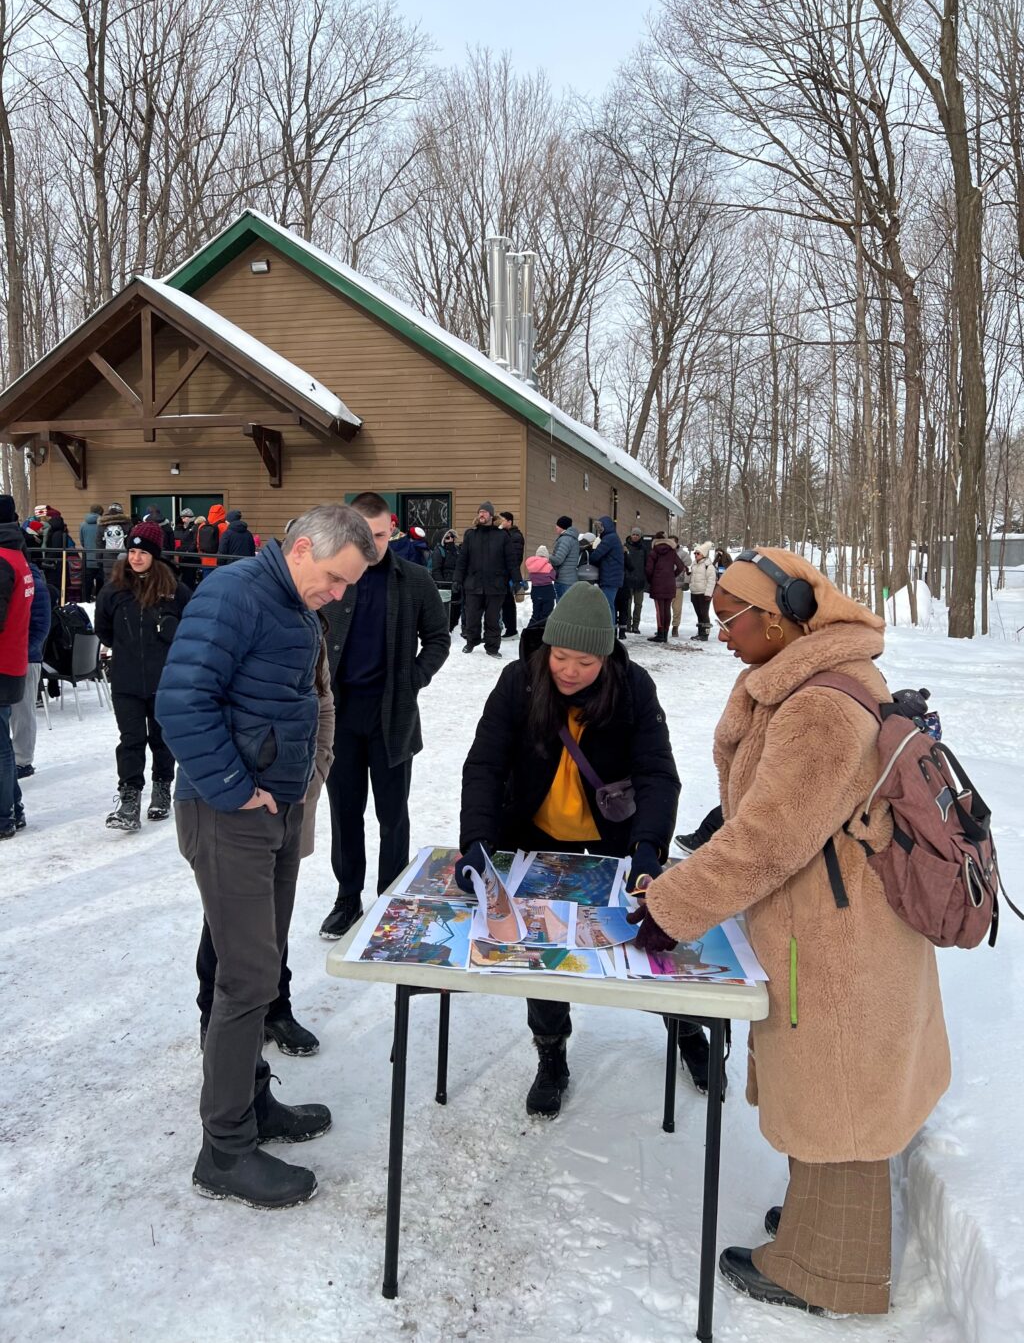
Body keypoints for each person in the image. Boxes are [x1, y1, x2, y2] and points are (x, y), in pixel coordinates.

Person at [633, 547, 951, 1317]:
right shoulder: (813, 680)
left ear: (776, 619)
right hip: (836, 926)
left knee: (839, 1094)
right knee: (832, 1089)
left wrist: (670, 907)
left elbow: (767, 839)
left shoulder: (817, 705)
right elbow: (770, 815)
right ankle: (822, 1224)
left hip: (838, 941)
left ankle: (825, 1269)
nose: (723, 634)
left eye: (729, 619)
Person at [156, 504, 377, 1209]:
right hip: (227, 814)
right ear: (304, 548)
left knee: (256, 964)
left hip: (275, 811)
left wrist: (302, 781)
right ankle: (224, 1147)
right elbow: (181, 700)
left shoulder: (295, 607)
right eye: (338, 579)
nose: (340, 595)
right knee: (247, 977)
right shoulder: (235, 594)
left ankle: (251, 1103)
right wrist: (235, 787)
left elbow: (307, 702)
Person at [456, 583, 693, 1118]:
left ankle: (685, 1030)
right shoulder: (519, 681)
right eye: (560, 656)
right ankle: (551, 1053)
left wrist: (649, 848)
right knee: (542, 957)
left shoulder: (633, 687)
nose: (568, 670)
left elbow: (657, 772)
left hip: (615, 838)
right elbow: (486, 765)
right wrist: (476, 840)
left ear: (605, 656)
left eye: (584, 661)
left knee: (647, 938)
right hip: (534, 834)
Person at [196, 618, 335, 1058]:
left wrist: (316, 772)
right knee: (229, 914)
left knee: (275, 910)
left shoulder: (311, 626)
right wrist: (234, 787)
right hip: (240, 804)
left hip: (293, 797)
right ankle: (213, 1013)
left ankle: (276, 1006)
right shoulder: (245, 622)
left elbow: (324, 702)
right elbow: (196, 709)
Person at [319, 492, 451, 938]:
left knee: (392, 813)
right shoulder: (333, 578)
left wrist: (413, 678)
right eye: (362, 533)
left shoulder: (413, 579)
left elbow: (438, 638)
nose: (371, 543)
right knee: (345, 811)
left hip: (392, 715)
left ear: (391, 530)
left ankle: (392, 895)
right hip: (340, 715)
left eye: (378, 534)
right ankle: (346, 898)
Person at [94, 521, 192, 831]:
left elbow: (193, 631)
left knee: (161, 739)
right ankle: (129, 800)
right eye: (131, 551)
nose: (135, 558)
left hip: (166, 680)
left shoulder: (176, 591)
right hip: (126, 680)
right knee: (131, 740)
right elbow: (104, 630)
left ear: (155, 555)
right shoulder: (114, 591)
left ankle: (162, 789)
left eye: (142, 552)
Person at [0, 495, 33, 840]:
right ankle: (14, 808)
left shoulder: (2, 561)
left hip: (3, 661)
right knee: (3, 743)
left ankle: (4, 815)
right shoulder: (17, 556)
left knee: (0, 746)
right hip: (13, 659)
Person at [454, 501, 518, 658]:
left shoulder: (502, 536)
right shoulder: (471, 535)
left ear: (491, 515)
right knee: (472, 617)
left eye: (484, 512)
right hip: (473, 584)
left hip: (495, 586)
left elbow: (511, 560)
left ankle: (492, 647)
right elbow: (462, 560)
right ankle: (471, 642)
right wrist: (457, 579)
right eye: (480, 512)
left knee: (493, 619)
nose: (481, 514)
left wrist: (517, 580)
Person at [11, 552, 51, 781]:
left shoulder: (34, 583)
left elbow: (41, 625)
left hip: (27, 656)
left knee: (23, 712)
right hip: (12, 655)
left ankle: (23, 760)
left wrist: (23, 651)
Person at [645, 532, 684, 643]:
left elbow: (648, 569)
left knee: (659, 610)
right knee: (667, 610)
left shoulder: (654, 552)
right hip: (670, 584)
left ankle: (660, 634)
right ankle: (665, 634)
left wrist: (651, 580)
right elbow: (681, 566)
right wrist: (672, 575)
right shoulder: (672, 552)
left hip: (657, 584)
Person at [588, 515, 624, 623]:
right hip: (612, 577)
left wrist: (591, 550)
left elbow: (595, 557)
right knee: (609, 605)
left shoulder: (609, 539)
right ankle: (610, 632)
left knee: (607, 606)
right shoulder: (613, 537)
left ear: (605, 527)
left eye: (600, 528)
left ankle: (609, 633)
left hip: (610, 578)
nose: (599, 531)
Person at [498, 511, 525, 638]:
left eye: (502, 520)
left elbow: (515, 558)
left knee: (507, 603)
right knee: (503, 602)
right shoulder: (505, 534)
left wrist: (511, 575)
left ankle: (511, 630)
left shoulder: (515, 536)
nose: (500, 522)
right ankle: (508, 628)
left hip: (508, 576)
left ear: (509, 521)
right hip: (502, 575)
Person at [429, 528, 461, 633]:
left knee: (456, 607)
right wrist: (442, 584)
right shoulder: (439, 551)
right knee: (445, 608)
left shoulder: (457, 550)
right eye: (447, 537)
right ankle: (446, 629)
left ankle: (453, 627)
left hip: (456, 582)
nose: (451, 539)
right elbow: (436, 569)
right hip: (445, 583)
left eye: (452, 536)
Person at [689, 541, 716, 640]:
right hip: (694, 593)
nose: (695, 555)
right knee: (699, 614)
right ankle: (700, 632)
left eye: (698, 553)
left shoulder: (709, 566)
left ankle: (705, 634)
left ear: (703, 554)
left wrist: (708, 594)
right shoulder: (694, 564)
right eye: (695, 553)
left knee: (704, 614)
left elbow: (711, 581)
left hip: (703, 594)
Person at [78, 504, 105, 603]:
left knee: (87, 584)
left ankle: (86, 602)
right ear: (101, 512)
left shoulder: (83, 525)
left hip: (88, 558)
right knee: (101, 583)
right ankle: (100, 603)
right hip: (101, 558)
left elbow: (82, 541)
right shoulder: (103, 525)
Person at [623, 528, 648, 634]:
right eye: (633, 534)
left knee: (638, 604)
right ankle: (627, 624)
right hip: (628, 580)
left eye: (637, 535)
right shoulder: (625, 547)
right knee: (627, 605)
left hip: (640, 580)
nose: (635, 536)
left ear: (640, 536)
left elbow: (646, 564)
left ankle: (636, 626)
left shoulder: (644, 548)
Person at [99, 502, 133, 581]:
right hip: (124, 558)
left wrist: (99, 560)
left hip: (107, 559)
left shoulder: (102, 525)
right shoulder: (128, 524)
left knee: (108, 582)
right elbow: (130, 543)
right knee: (124, 581)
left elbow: (99, 544)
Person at [524, 546, 556, 627]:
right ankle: (542, 633)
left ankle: (530, 631)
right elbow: (554, 577)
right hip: (547, 592)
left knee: (535, 613)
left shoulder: (531, 566)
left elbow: (531, 577)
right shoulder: (548, 566)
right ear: (546, 556)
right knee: (546, 614)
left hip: (535, 591)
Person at [548, 516, 579, 599]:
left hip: (563, 580)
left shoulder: (565, 539)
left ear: (562, 527)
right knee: (568, 608)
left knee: (562, 609)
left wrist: (547, 556)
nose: (556, 527)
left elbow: (558, 560)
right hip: (570, 579)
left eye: (557, 526)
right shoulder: (572, 538)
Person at [670, 536, 692, 637]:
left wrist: (686, 582)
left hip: (678, 585)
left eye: (673, 541)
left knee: (677, 608)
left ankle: (675, 627)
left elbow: (689, 570)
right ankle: (663, 627)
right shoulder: (663, 553)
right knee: (664, 609)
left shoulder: (683, 554)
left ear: (677, 543)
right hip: (665, 584)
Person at [197, 503, 227, 573]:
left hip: (205, 560)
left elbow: (198, 543)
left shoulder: (202, 525)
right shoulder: (224, 527)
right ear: (222, 513)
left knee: (207, 581)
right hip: (220, 561)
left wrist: (201, 556)